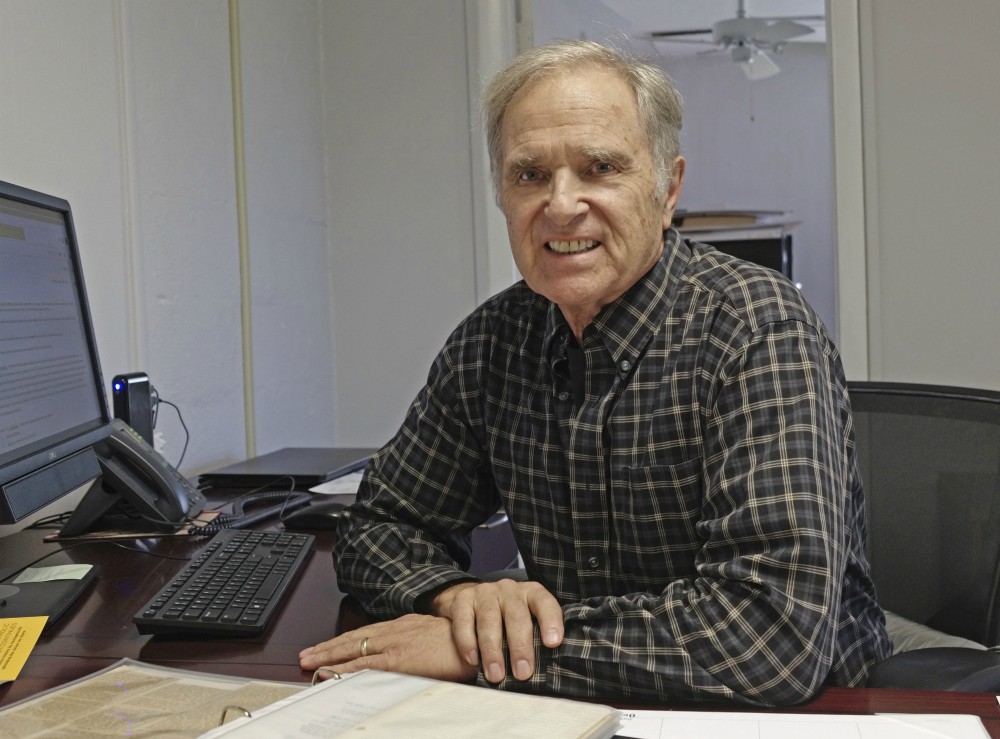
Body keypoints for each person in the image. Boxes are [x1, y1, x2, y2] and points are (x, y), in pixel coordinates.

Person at [299, 39, 890, 706]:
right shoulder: (491, 343)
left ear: (668, 188)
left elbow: (768, 637)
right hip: (583, 709)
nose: (560, 205)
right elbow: (380, 525)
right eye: (528, 175)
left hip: (808, 713)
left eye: (600, 167)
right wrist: (457, 597)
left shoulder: (757, 330)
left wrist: (483, 653)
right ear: (501, 195)